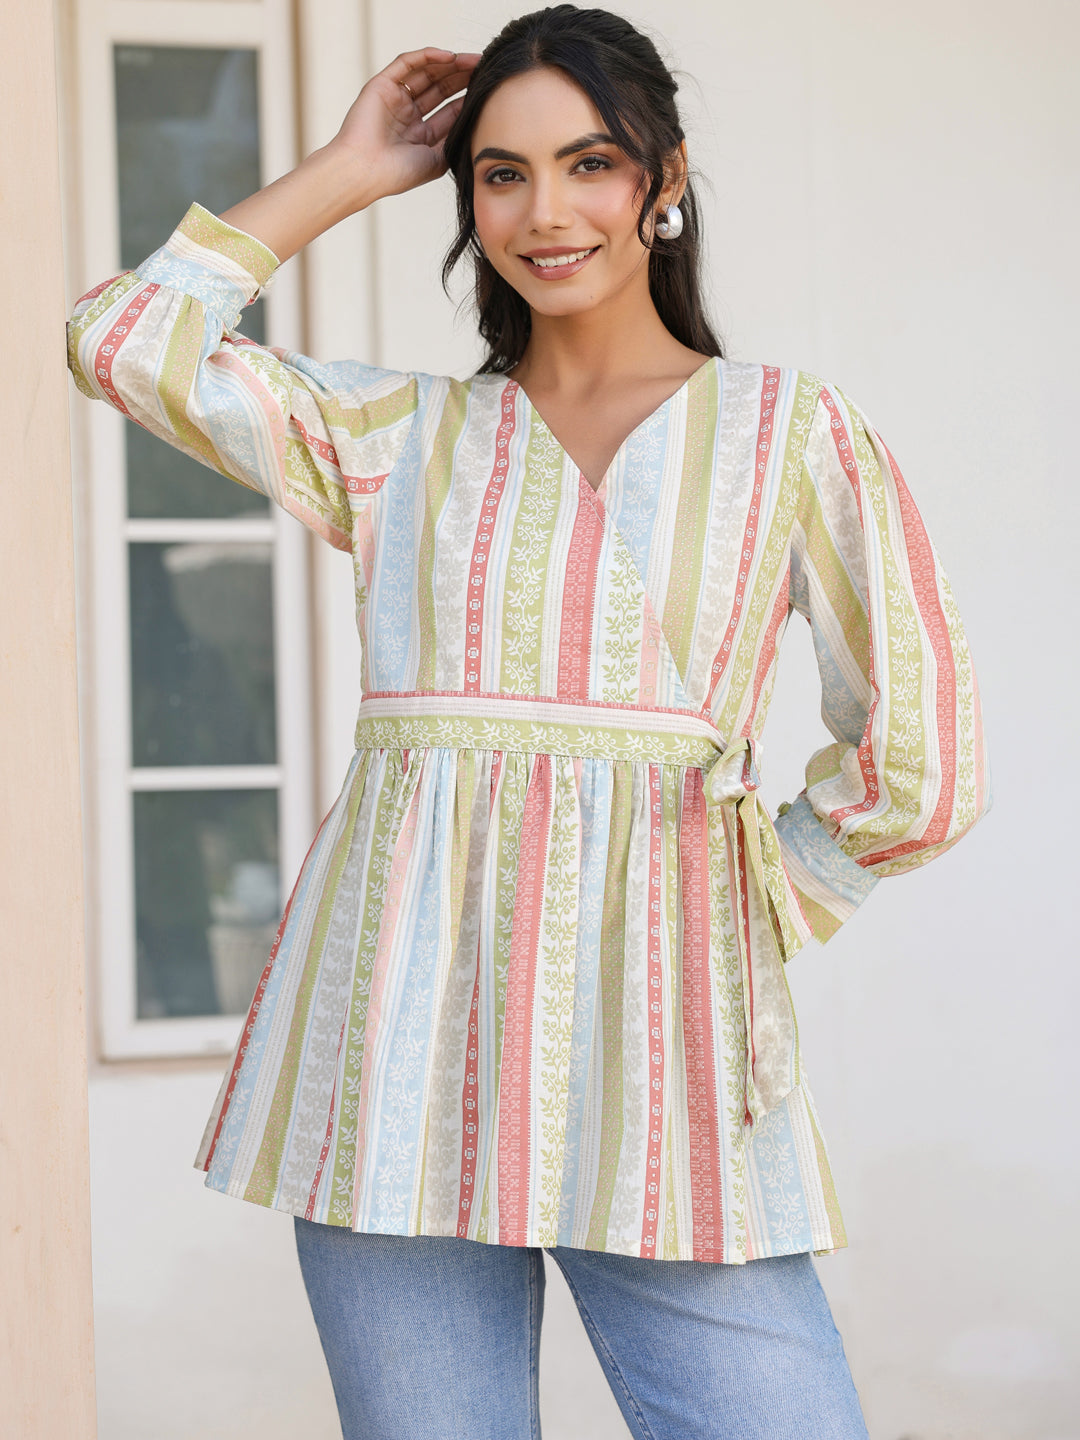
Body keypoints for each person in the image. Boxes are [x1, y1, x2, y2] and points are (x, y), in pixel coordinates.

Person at [67, 6, 990, 1437]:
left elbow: (921, 760)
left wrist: (756, 902)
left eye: (589, 163)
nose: (546, 212)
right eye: (502, 174)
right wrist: (348, 168)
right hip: (390, 1061)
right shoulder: (395, 439)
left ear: (662, 179)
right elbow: (123, 342)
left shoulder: (789, 435)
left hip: (667, 1057)